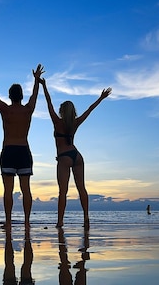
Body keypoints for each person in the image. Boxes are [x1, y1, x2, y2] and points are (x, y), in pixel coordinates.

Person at [0, 63, 44, 229]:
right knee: (26, 189)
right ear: (21, 95)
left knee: (8, 190)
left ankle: (8, 221)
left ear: (10, 95)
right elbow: (35, 95)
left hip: (9, 151)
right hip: (24, 151)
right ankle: (27, 222)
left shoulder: (5, 110)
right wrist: (36, 80)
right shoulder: (28, 110)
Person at [40, 78, 112, 229]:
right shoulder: (76, 122)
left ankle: (60, 221)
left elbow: (48, 102)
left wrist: (43, 85)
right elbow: (89, 110)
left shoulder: (57, 122)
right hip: (76, 155)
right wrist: (101, 98)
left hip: (64, 158)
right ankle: (86, 217)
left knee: (63, 192)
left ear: (61, 111)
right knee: (82, 188)